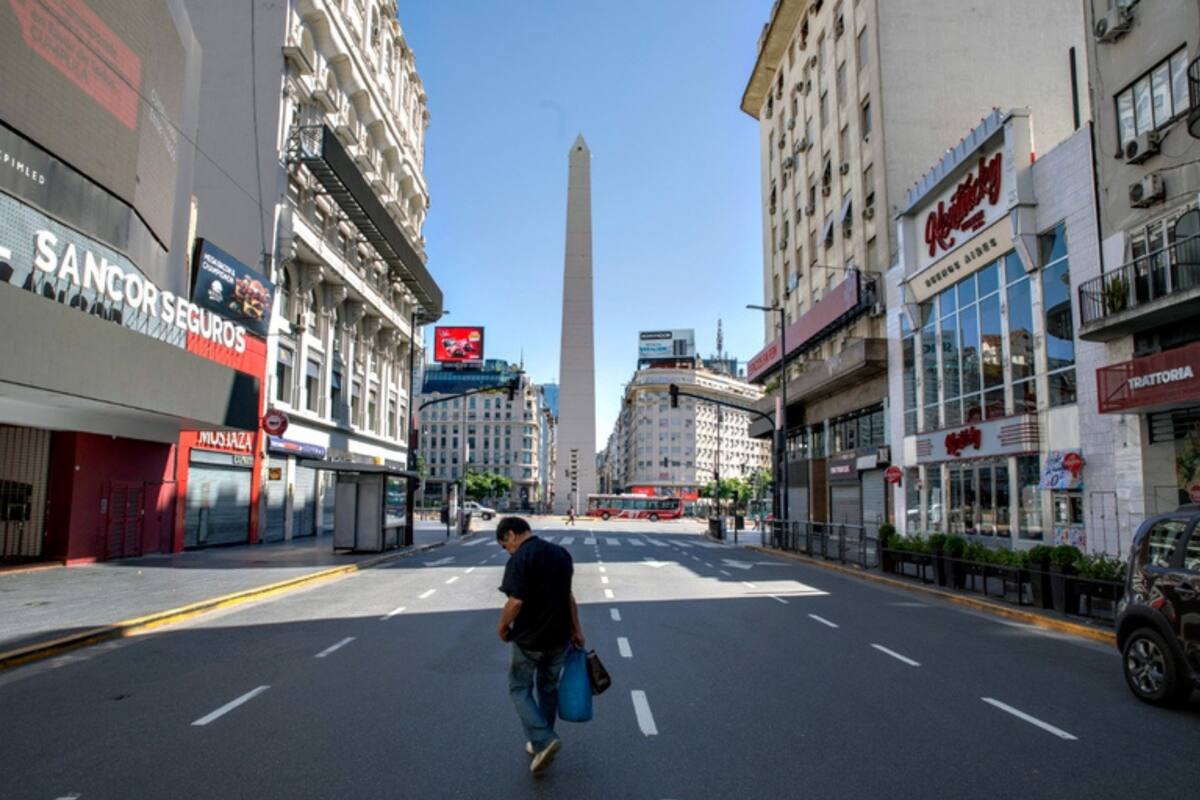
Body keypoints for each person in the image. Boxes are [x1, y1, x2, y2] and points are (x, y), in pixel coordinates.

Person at [496, 516, 584, 774]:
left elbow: (515, 603)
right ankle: (541, 741)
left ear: (511, 534)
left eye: (505, 545)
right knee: (547, 688)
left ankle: (544, 740)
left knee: (519, 687)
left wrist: (502, 627)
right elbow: (569, 597)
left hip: (529, 639)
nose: (507, 550)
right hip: (559, 638)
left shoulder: (520, 559)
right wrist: (577, 630)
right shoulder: (561, 554)